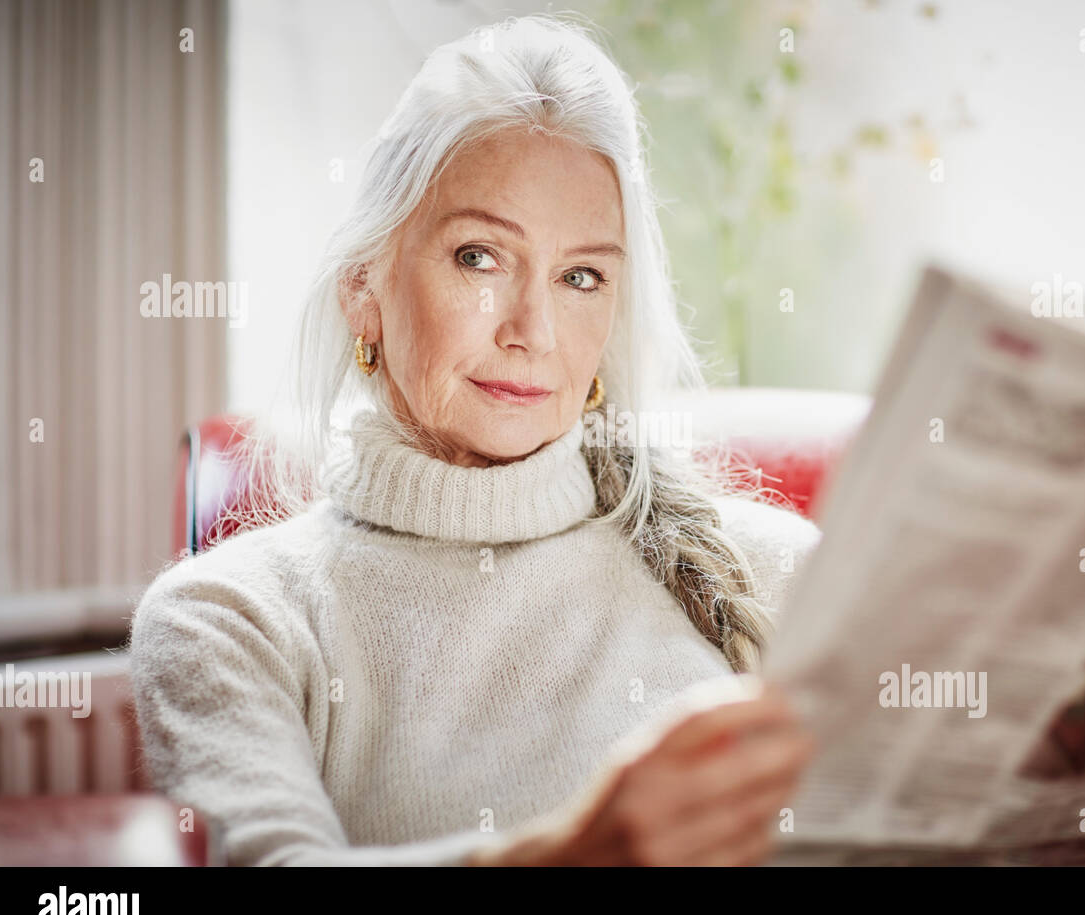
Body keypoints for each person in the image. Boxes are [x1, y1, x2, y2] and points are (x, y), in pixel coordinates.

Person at [128, 13, 820, 867]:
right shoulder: (226, 619)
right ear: (363, 288)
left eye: (580, 276)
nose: (533, 330)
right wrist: (573, 855)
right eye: (479, 258)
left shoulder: (784, 573)